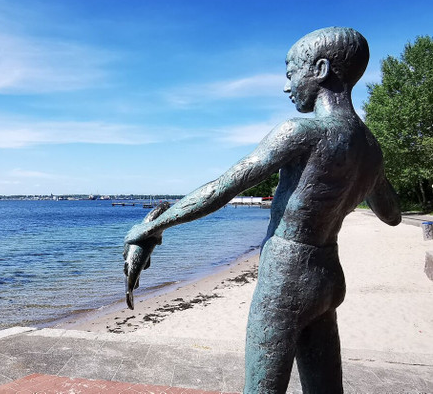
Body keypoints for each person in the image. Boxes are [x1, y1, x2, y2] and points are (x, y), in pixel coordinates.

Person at [124, 27, 401, 393]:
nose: (287, 87)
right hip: (328, 275)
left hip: (285, 278)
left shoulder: (302, 131)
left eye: (290, 74)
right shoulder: (371, 148)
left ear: (319, 69)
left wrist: (150, 228)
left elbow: (224, 187)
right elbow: (392, 215)